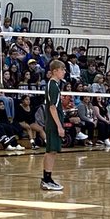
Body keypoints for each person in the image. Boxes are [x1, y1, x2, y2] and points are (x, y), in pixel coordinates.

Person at [41, 58, 67, 192]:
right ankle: (47, 180)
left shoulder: (53, 85)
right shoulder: (53, 86)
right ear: (55, 71)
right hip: (53, 123)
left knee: (49, 151)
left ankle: (46, 178)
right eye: (62, 70)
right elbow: (52, 108)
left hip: (51, 123)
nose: (64, 72)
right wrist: (59, 126)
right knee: (52, 152)